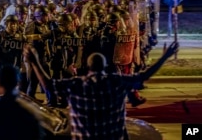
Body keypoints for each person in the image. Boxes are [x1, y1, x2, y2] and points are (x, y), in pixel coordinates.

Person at [23, 41, 179, 140]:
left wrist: (35, 62)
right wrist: (165, 56)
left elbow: (48, 85)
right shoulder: (116, 81)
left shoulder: (77, 84)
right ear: (105, 67)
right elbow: (145, 75)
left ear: (88, 67)